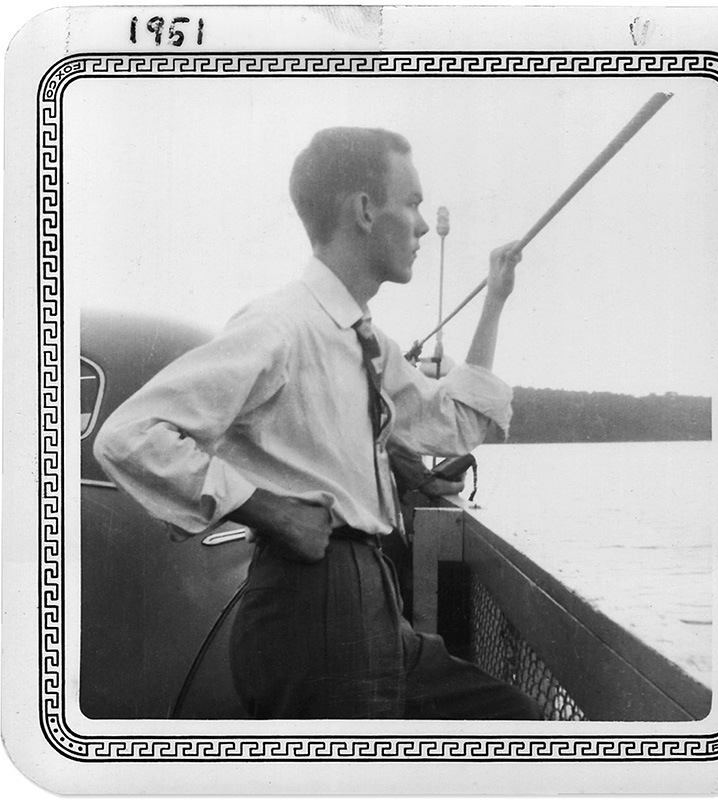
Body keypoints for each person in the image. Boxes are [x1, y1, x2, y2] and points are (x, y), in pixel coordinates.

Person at [93, 127, 542, 720]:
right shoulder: (281, 325)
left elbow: (453, 423)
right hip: (315, 604)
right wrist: (263, 506)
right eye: (410, 203)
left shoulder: (363, 341)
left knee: (511, 720)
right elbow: (129, 435)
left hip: (371, 600)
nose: (422, 225)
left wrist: (495, 301)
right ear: (363, 210)